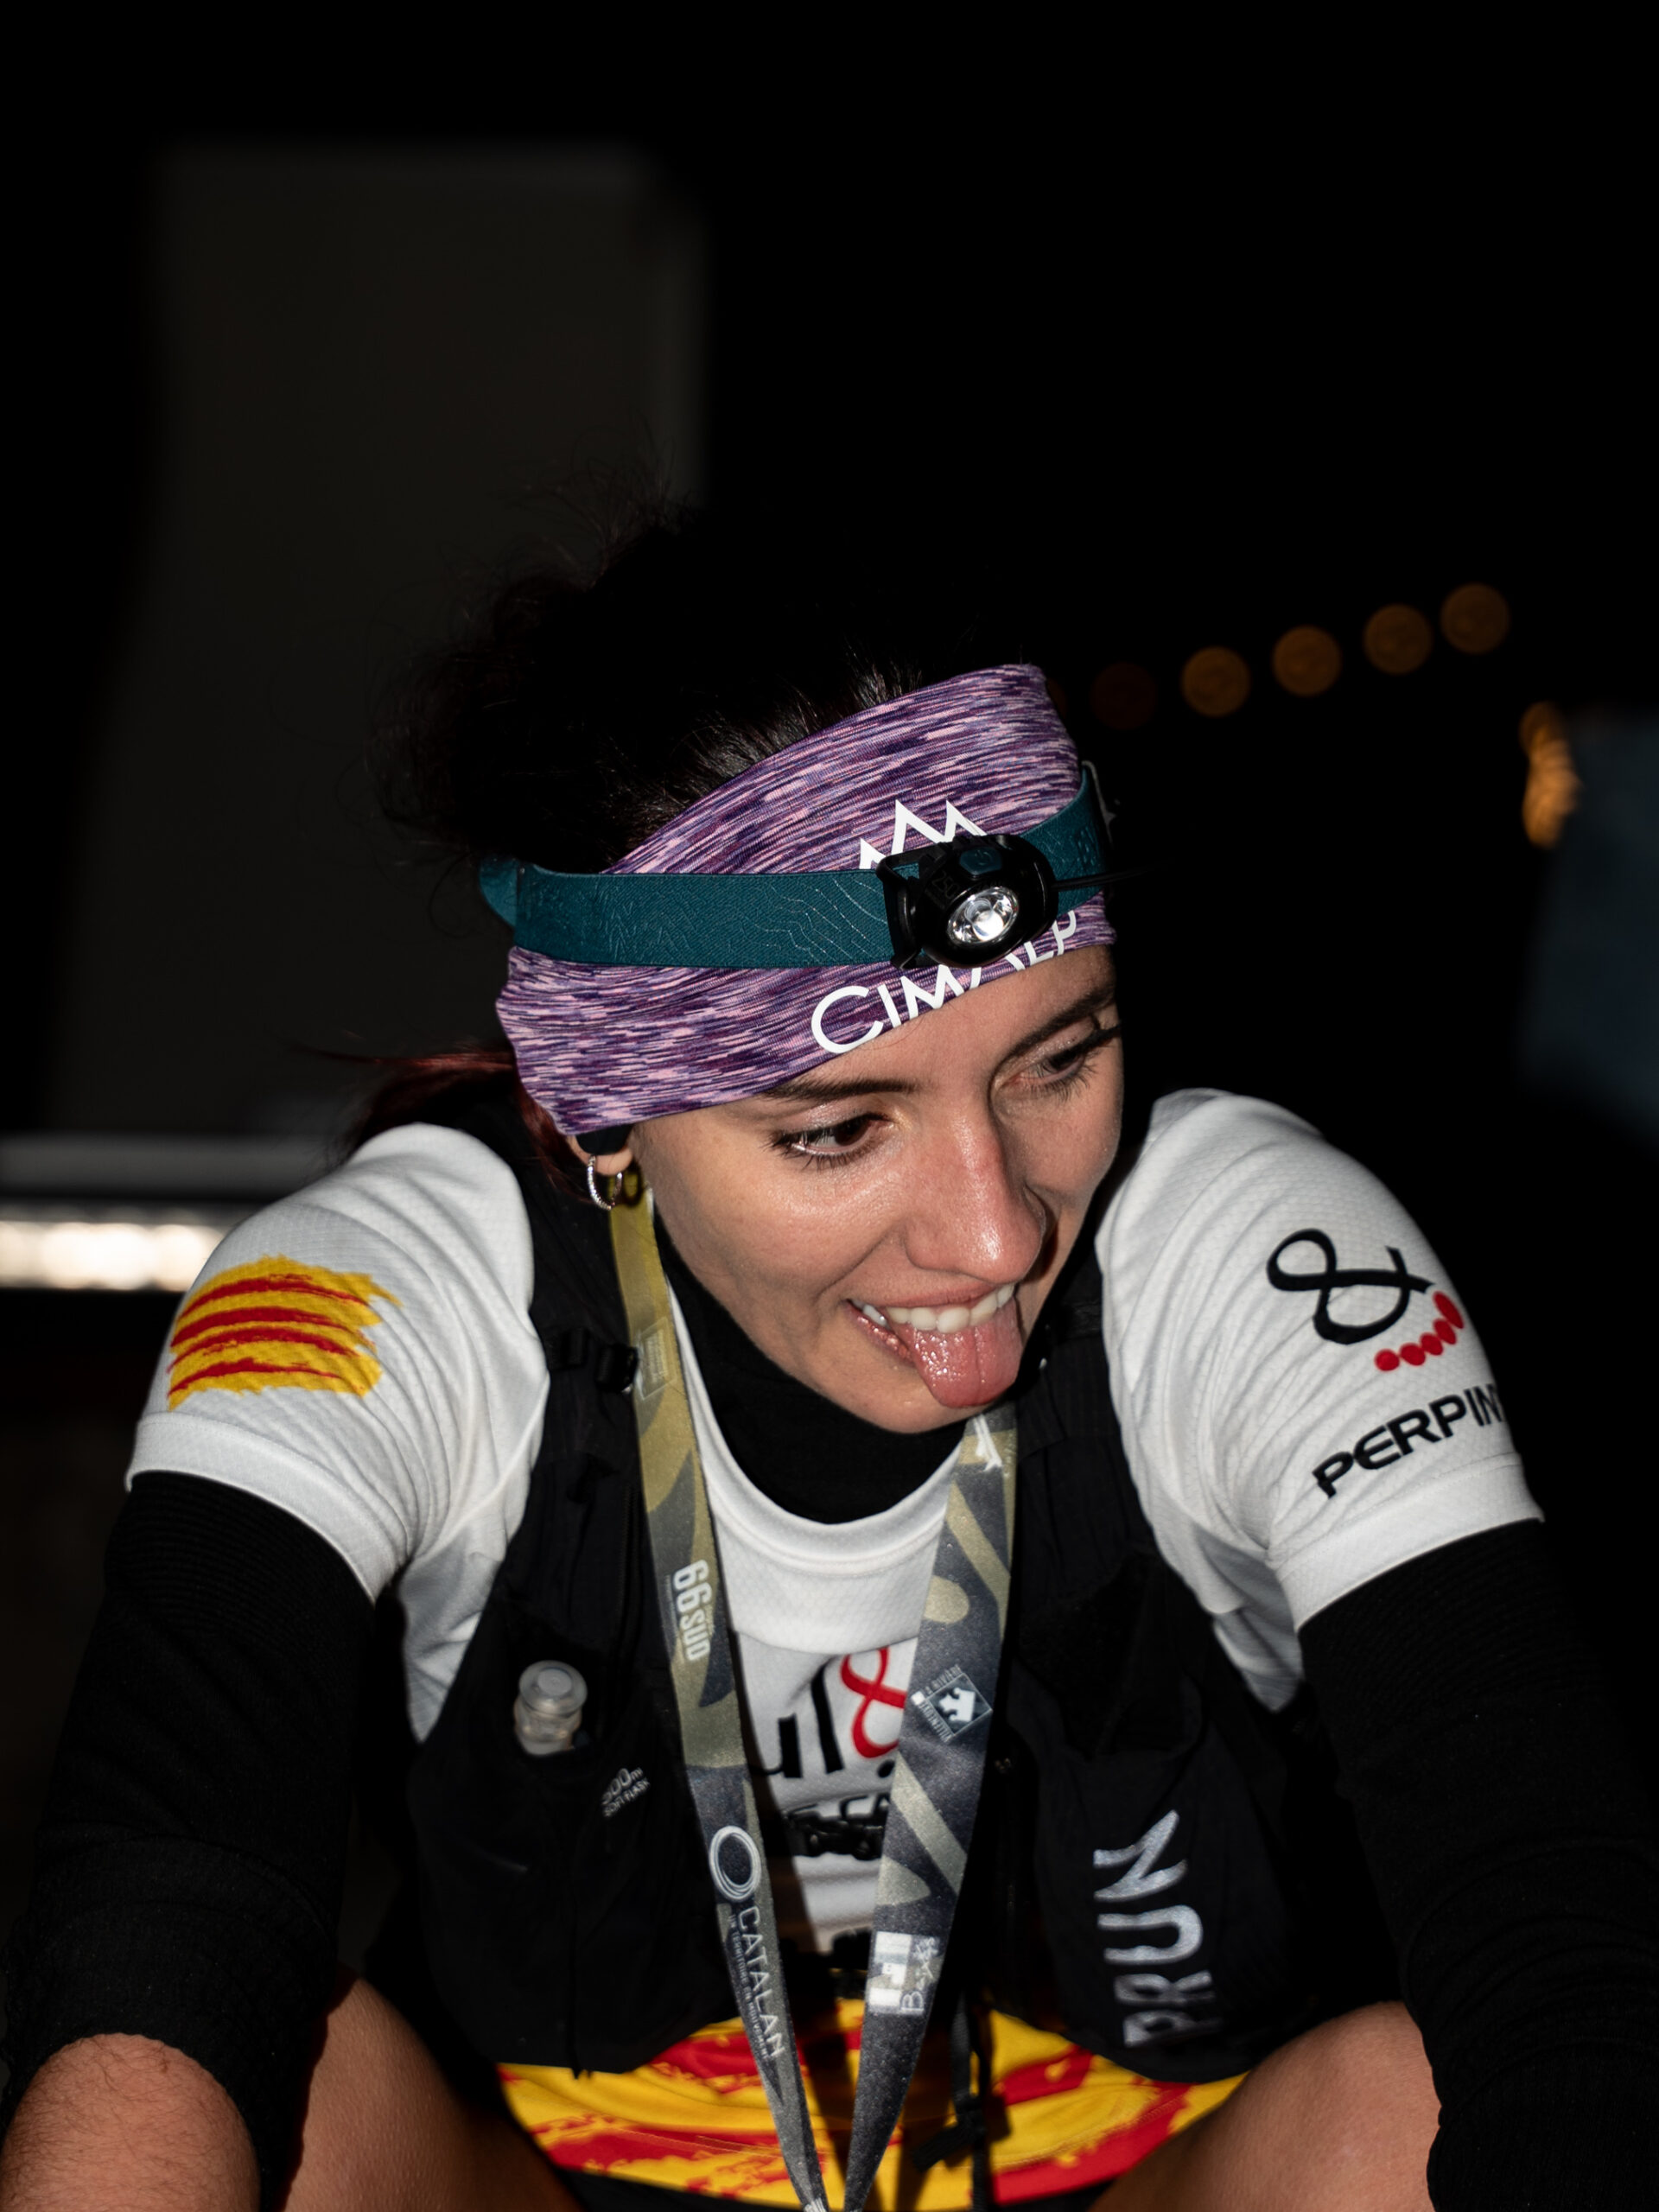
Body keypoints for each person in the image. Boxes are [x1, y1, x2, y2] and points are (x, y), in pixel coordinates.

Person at [2, 518, 1653, 2212]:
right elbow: (160, 1916)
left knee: (1403, 2107)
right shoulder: (387, 1282)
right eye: (840, 1128)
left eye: (1058, 1058)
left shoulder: (1251, 1246)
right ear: (598, 1102)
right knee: (277, 2083)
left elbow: (1551, 1938)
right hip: (557, 2183)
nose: (995, 1232)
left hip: (1125, 2181)